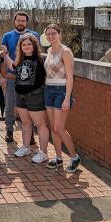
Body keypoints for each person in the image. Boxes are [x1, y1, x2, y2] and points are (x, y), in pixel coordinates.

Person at [3, 33, 50, 163]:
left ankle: (43, 153)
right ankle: (26, 147)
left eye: (29, 44)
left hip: (35, 96)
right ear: (20, 47)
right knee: (25, 123)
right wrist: (6, 54)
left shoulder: (41, 60)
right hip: (20, 96)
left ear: (34, 45)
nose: (27, 46)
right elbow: (12, 66)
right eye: (24, 44)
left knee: (40, 125)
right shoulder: (20, 59)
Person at [44, 24, 81, 173]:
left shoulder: (66, 51)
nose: (51, 36)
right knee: (53, 127)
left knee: (59, 128)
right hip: (48, 90)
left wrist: (67, 98)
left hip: (61, 92)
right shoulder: (48, 51)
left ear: (59, 34)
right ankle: (58, 158)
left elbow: (70, 77)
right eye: (48, 34)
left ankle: (74, 157)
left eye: (54, 33)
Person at [1, 12, 40, 143]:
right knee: (9, 105)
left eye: (23, 21)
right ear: (14, 21)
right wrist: (3, 76)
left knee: (30, 106)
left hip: (29, 79)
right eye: (18, 20)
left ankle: (31, 134)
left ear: (26, 22)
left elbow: (38, 55)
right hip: (12, 77)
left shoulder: (34, 35)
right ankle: (9, 130)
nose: (20, 23)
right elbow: (4, 57)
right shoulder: (7, 36)